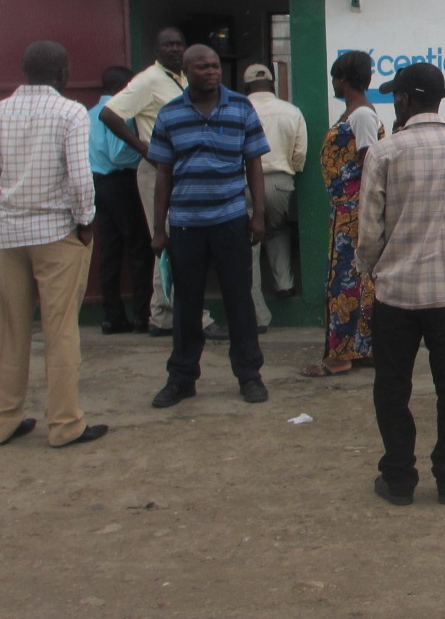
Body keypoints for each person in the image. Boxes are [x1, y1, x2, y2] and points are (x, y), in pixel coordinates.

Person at [357, 62, 445, 507]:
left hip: (397, 290)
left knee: (392, 387)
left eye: (396, 95)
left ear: (405, 100)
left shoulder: (384, 152)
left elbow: (369, 230)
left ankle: (398, 478)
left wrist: (370, 269)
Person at [0, 40, 107, 448]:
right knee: (60, 329)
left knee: (9, 330)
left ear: (24, 70)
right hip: (55, 233)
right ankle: (65, 424)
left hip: (7, 234)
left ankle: (2, 420)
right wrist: (86, 223)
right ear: (63, 73)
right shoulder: (70, 112)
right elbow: (80, 178)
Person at [147, 45, 271, 408]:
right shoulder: (170, 115)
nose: (212, 71)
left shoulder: (241, 107)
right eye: (202, 67)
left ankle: (249, 375)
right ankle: (182, 378)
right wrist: (159, 228)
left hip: (231, 219)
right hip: (186, 225)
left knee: (239, 301)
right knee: (187, 305)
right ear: (186, 71)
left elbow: (254, 164)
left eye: (216, 65)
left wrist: (258, 214)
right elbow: (163, 175)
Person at [100, 26, 220, 339]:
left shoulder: (180, 79)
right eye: (168, 44)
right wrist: (145, 149)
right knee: (174, 238)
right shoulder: (147, 80)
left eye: (179, 43)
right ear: (156, 49)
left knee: (167, 240)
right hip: (157, 170)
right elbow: (109, 113)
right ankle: (197, 318)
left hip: (180, 170)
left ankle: (162, 314)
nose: (175, 49)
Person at [302, 51, 384, 377]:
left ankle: (340, 356)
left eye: (335, 78)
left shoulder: (361, 115)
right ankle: (361, 348)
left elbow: (369, 159)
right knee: (359, 281)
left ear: (343, 79)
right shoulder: (354, 112)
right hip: (347, 210)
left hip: (355, 211)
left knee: (345, 283)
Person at [243, 63, 307, 330]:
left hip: (244, 181)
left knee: (249, 243)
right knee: (276, 229)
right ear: (272, 84)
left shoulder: (237, 109)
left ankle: (257, 314)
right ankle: (285, 283)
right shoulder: (291, 111)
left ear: (246, 87)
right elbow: (300, 155)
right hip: (281, 181)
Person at [89, 64, 152, 334]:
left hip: (98, 184)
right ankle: (141, 315)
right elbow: (118, 154)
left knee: (110, 253)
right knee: (140, 249)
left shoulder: (88, 113)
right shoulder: (120, 111)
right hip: (121, 182)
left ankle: (112, 316)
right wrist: (147, 155)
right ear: (121, 88)